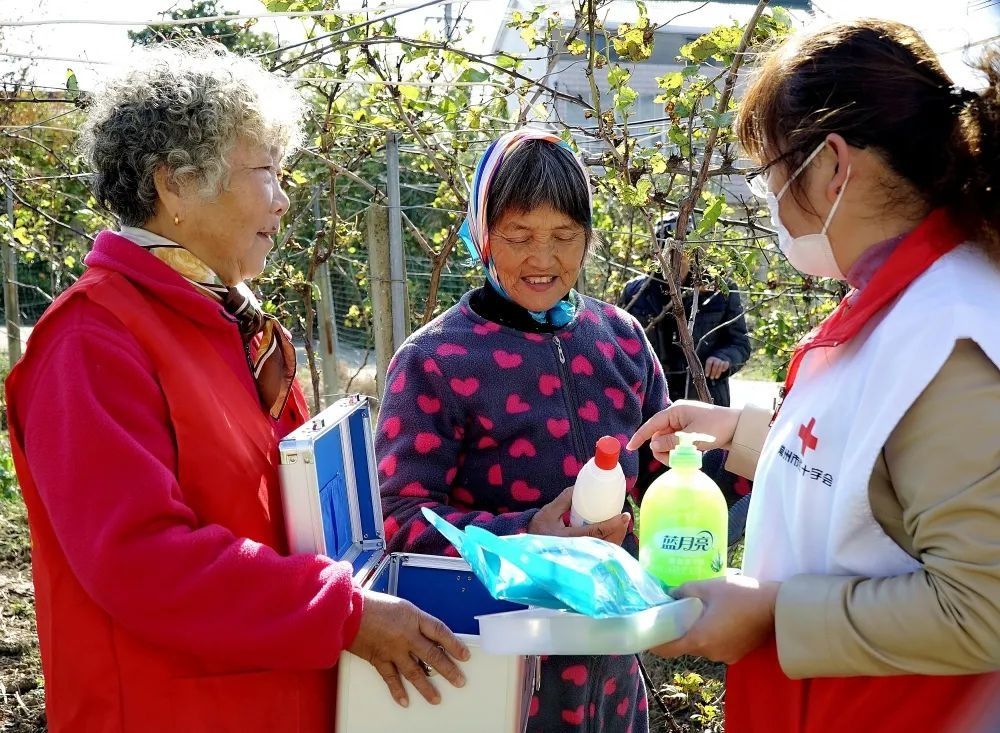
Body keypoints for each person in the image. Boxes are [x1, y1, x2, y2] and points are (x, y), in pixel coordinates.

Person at [4, 42, 468, 733]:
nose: (283, 200)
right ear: (175, 184)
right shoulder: (92, 339)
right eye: (266, 173)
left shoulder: (223, 322)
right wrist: (340, 610)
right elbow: (142, 559)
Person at [628, 20, 1000, 733]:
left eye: (770, 174)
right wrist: (740, 433)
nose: (770, 199)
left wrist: (773, 616)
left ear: (832, 166)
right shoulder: (901, 303)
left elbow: (982, 605)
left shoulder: (953, 338)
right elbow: (868, 478)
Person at [375, 128, 670, 733]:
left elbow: (665, 477)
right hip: (492, 671)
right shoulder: (437, 359)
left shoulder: (621, 339)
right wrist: (525, 532)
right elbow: (398, 519)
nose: (543, 259)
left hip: (611, 666)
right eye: (519, 236)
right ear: (482, 236)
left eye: (565, 237)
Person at [619, 212, 751, 408]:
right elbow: (620, 345)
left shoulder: (719, 290)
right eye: (668, 249)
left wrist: (724, 358)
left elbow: (740, 344)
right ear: (657, 252)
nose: (675, 257)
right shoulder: (636, 292)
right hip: (652, 402)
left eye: (682, 250)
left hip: (704, 401)